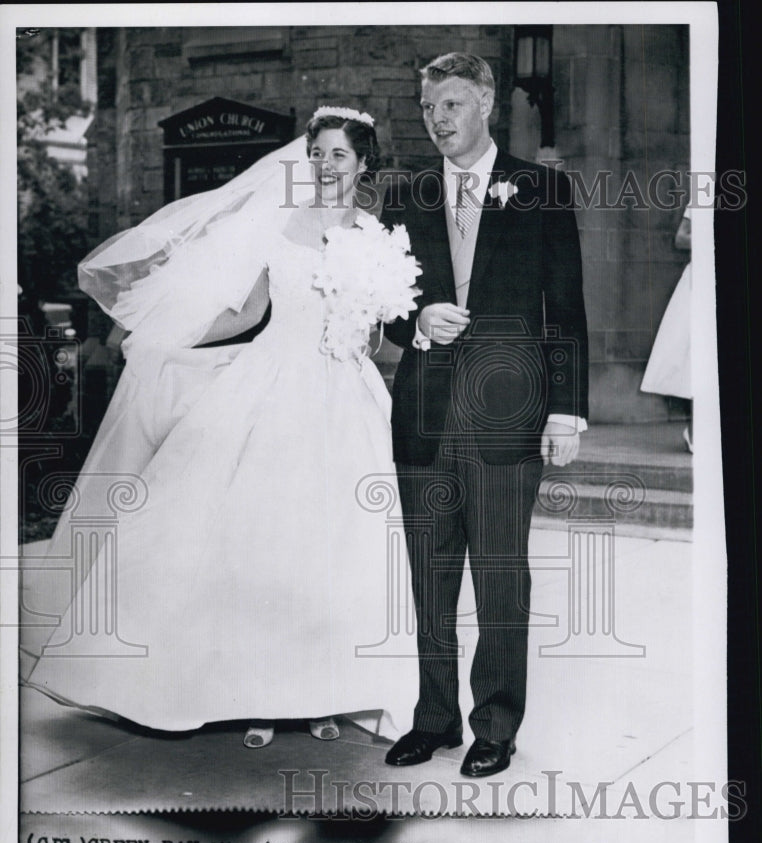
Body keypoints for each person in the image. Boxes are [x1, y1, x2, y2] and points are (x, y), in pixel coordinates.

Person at [20, 108, 418, 749]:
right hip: (273, 382)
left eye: (339, 156)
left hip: (345, 397)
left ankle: (322, 693)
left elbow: (376, 329)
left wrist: (365, 335)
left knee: (333, 549)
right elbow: (247, 311)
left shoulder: (376, 235)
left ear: (364, 163)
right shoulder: (280, 227)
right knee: (256, 546)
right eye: (317, 154)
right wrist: (167, 341)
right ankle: (254, 695)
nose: (325, 166)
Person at [382, 53, 589, 778]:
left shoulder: (542, 189)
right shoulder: (403, 194)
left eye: (452, 105)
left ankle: (495, 723)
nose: (438, 121)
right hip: (424, 415)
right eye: (429, 108)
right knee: (428, 576)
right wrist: (414, 321)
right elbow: (378, 306)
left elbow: (565, 312)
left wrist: (565, 412)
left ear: (488, 104)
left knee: (502, 575)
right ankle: (432, 718)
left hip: (509, 416)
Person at [640, 207, 692, 451]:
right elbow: (681, 237)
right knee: (691, 355)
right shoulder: (705, 193)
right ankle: (695, 431)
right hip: (702, 277)